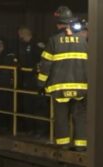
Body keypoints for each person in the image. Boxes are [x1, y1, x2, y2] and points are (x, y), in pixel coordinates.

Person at [37, 6, 88, 151]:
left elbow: (45, 66)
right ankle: (81, 146)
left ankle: (63, 145)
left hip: (59, 88)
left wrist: (40, 84)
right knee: (80, 117)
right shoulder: (84, 42)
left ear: (59, 23)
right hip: (81, 88)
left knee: (61, 117)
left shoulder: (53, 41)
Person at [16, 26, 48, 137]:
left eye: (21, 35)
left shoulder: (38, 45)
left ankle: (40, 130)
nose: (20, 37)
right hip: (27, 80)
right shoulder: (24, 46)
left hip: (37, 80)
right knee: (27, 105)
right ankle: (30, 129)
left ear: (25, 34)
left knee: (39, 106)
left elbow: (44, 60)